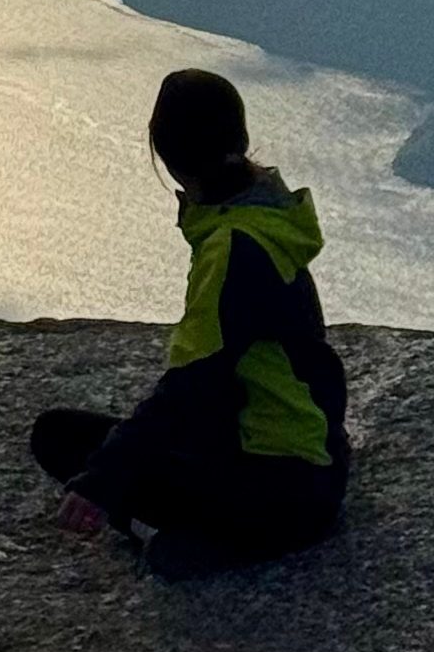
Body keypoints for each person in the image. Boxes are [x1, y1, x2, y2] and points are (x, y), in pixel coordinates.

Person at [31, 67, 350, 568]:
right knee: (86, 442)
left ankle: (190, 539)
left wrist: (101, 485)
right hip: (317, 469)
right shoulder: (269, 218)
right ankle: (193, 532)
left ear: (169, 160)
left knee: (59, 439)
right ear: (241, 138)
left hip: (272, 490)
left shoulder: (229, 248)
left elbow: (188, 390)